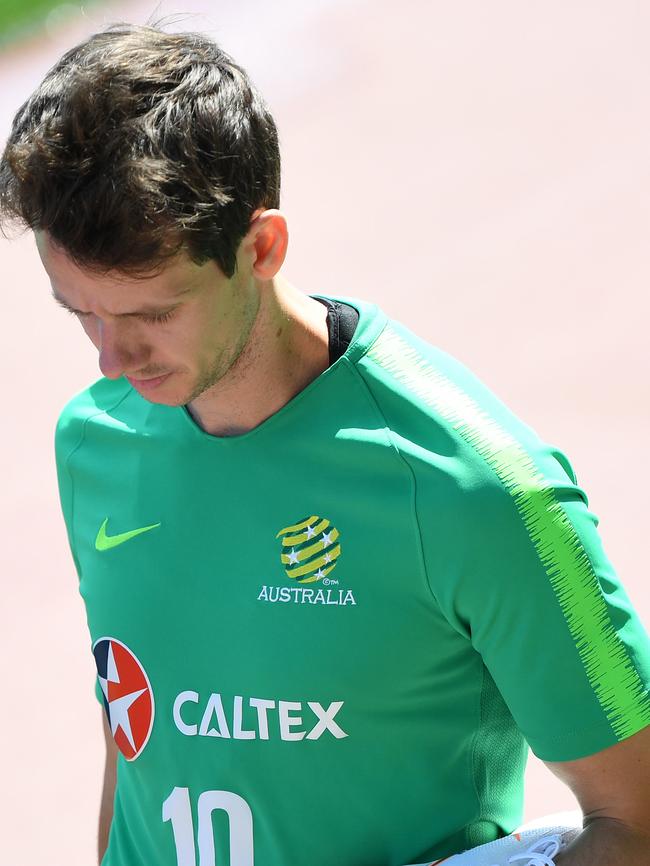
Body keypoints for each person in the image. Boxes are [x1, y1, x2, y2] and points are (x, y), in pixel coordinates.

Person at [1, 23, 649, 866]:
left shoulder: (474, 487)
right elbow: (137, 746)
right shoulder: (94, 439)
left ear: (262, 247)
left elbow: (636, 819)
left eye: (152, 314)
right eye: (78, 309)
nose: (108, 357)